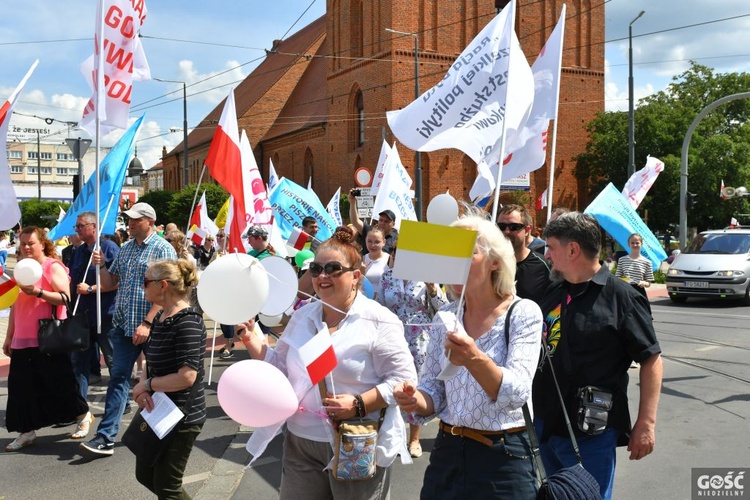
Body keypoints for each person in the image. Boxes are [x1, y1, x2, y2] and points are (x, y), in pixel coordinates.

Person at [240, 228, 416, 499]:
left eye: (333, 269)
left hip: (356, 441)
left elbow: (404, 381)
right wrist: (253, 340)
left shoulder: (379, 319)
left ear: (355, 276)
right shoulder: (302, 317)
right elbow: (281, 372)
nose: (322, 276)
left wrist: (359, 404)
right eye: (316, 269)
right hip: (301, 442)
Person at [393, 213, 542, 498]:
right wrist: (414, 399)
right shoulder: (446, 316)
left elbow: (517, 393)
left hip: (503, 457)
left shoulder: (522, 312)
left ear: (495, 261)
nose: (455, 262)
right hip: (448, 452)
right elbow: (434, 389)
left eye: (467, 252)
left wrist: (474, 358)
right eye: (450, 254)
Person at [533, 212, 663, 499]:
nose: (547, 255)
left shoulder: (622, 297)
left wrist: (646, 423)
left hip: (591, 432)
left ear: (572, 249)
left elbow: (651, 359)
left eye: (551, 247)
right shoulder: (553, 291)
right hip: (547, 426)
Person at [81, 202, 178, 456]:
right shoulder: (125, 249)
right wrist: (100, 265)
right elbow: (111, 282)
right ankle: (106, 437)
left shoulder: (163, 248)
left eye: (136, 219)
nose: (131, 223)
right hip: (124, 328)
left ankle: (165, 435)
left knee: (160, 383)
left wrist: (147, 322)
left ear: (150, 221)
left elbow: (171, 291)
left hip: (155, 328)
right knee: (118, 379)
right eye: (130, 219)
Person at [3, 227, 91, 452]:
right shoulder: (21, 268)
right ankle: (26, 431)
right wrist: (9, 335)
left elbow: (65, 298)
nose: (26, 247)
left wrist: (39, 293)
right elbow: (15, 305)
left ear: (43, 244)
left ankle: (83, 415)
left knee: (58, 382)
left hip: (47, 337)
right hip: (23, 338)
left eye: (30, 243)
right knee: (21, 387)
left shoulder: (52, 266)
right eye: (22, 244)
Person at [130, 259, 206, 498]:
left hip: (182, 415)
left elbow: (187, 377)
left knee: (167, 485)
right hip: (159, 409)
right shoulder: (162, 316)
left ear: (163, 285)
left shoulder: (188, 322)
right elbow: (151, 359)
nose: (143, 287)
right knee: (145, 474)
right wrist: (144, 388)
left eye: (146, 282)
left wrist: (147, 385)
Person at [377, 249, 448, 458]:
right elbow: (380, 307)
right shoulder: (387, 277)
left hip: (419, 339)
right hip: (392, 337)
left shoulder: (426, 277)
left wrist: (433, 290)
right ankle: (395, 435)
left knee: (414, 386)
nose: (400, 259)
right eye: (396, 254)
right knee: (392, 383)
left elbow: (444, 309)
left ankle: (414, 437)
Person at [68, 212, 120, 438]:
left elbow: (116, 282)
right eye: (76, 226)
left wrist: (91, 289)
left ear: (93, 226)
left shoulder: (108, 248)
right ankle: (80, 407)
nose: (77, 229)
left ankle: (121, 399)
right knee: (78, 362)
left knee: (112, 359)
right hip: (82, 316)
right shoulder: (78, 251)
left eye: (81, 226)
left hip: (104, 315)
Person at [497, 204, 551, 305]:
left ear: (527, 230)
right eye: (501, 227)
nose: (506, 231)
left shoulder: (543, 266)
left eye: (514, 227)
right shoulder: (489, 264)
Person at [348, 188, 398, 255]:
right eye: (381, 220)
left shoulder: (396, 238)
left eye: (386, 221)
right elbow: (355, 221)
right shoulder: (369, 230)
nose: (382, 223)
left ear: (393, 224)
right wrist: (352, 202)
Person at [616, 233, 654, 298]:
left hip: (639, 293)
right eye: (632, 243)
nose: (635, 245)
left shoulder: (647, 262)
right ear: (629, 244)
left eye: (637, 243)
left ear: (641, 244)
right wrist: (626, 280)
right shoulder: (622, 260)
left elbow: (649, 282)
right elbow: (617, 277)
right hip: (625, 291)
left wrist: (644, 283)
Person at [363, 228, 390, 297]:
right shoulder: (362, 259)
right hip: (366, 302)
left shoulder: (389, 259)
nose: (372, 245)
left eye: (377, 242)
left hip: (384, 303)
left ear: (384, 242)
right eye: (369, 241)